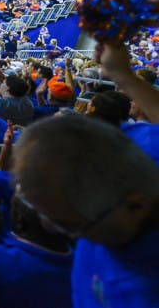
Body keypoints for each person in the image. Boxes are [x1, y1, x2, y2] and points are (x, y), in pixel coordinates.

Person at [12, 113, 159, 307]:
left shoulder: (138, 296)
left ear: (136, 206)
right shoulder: (137, 145)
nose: (47, 226)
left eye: (69, 226)